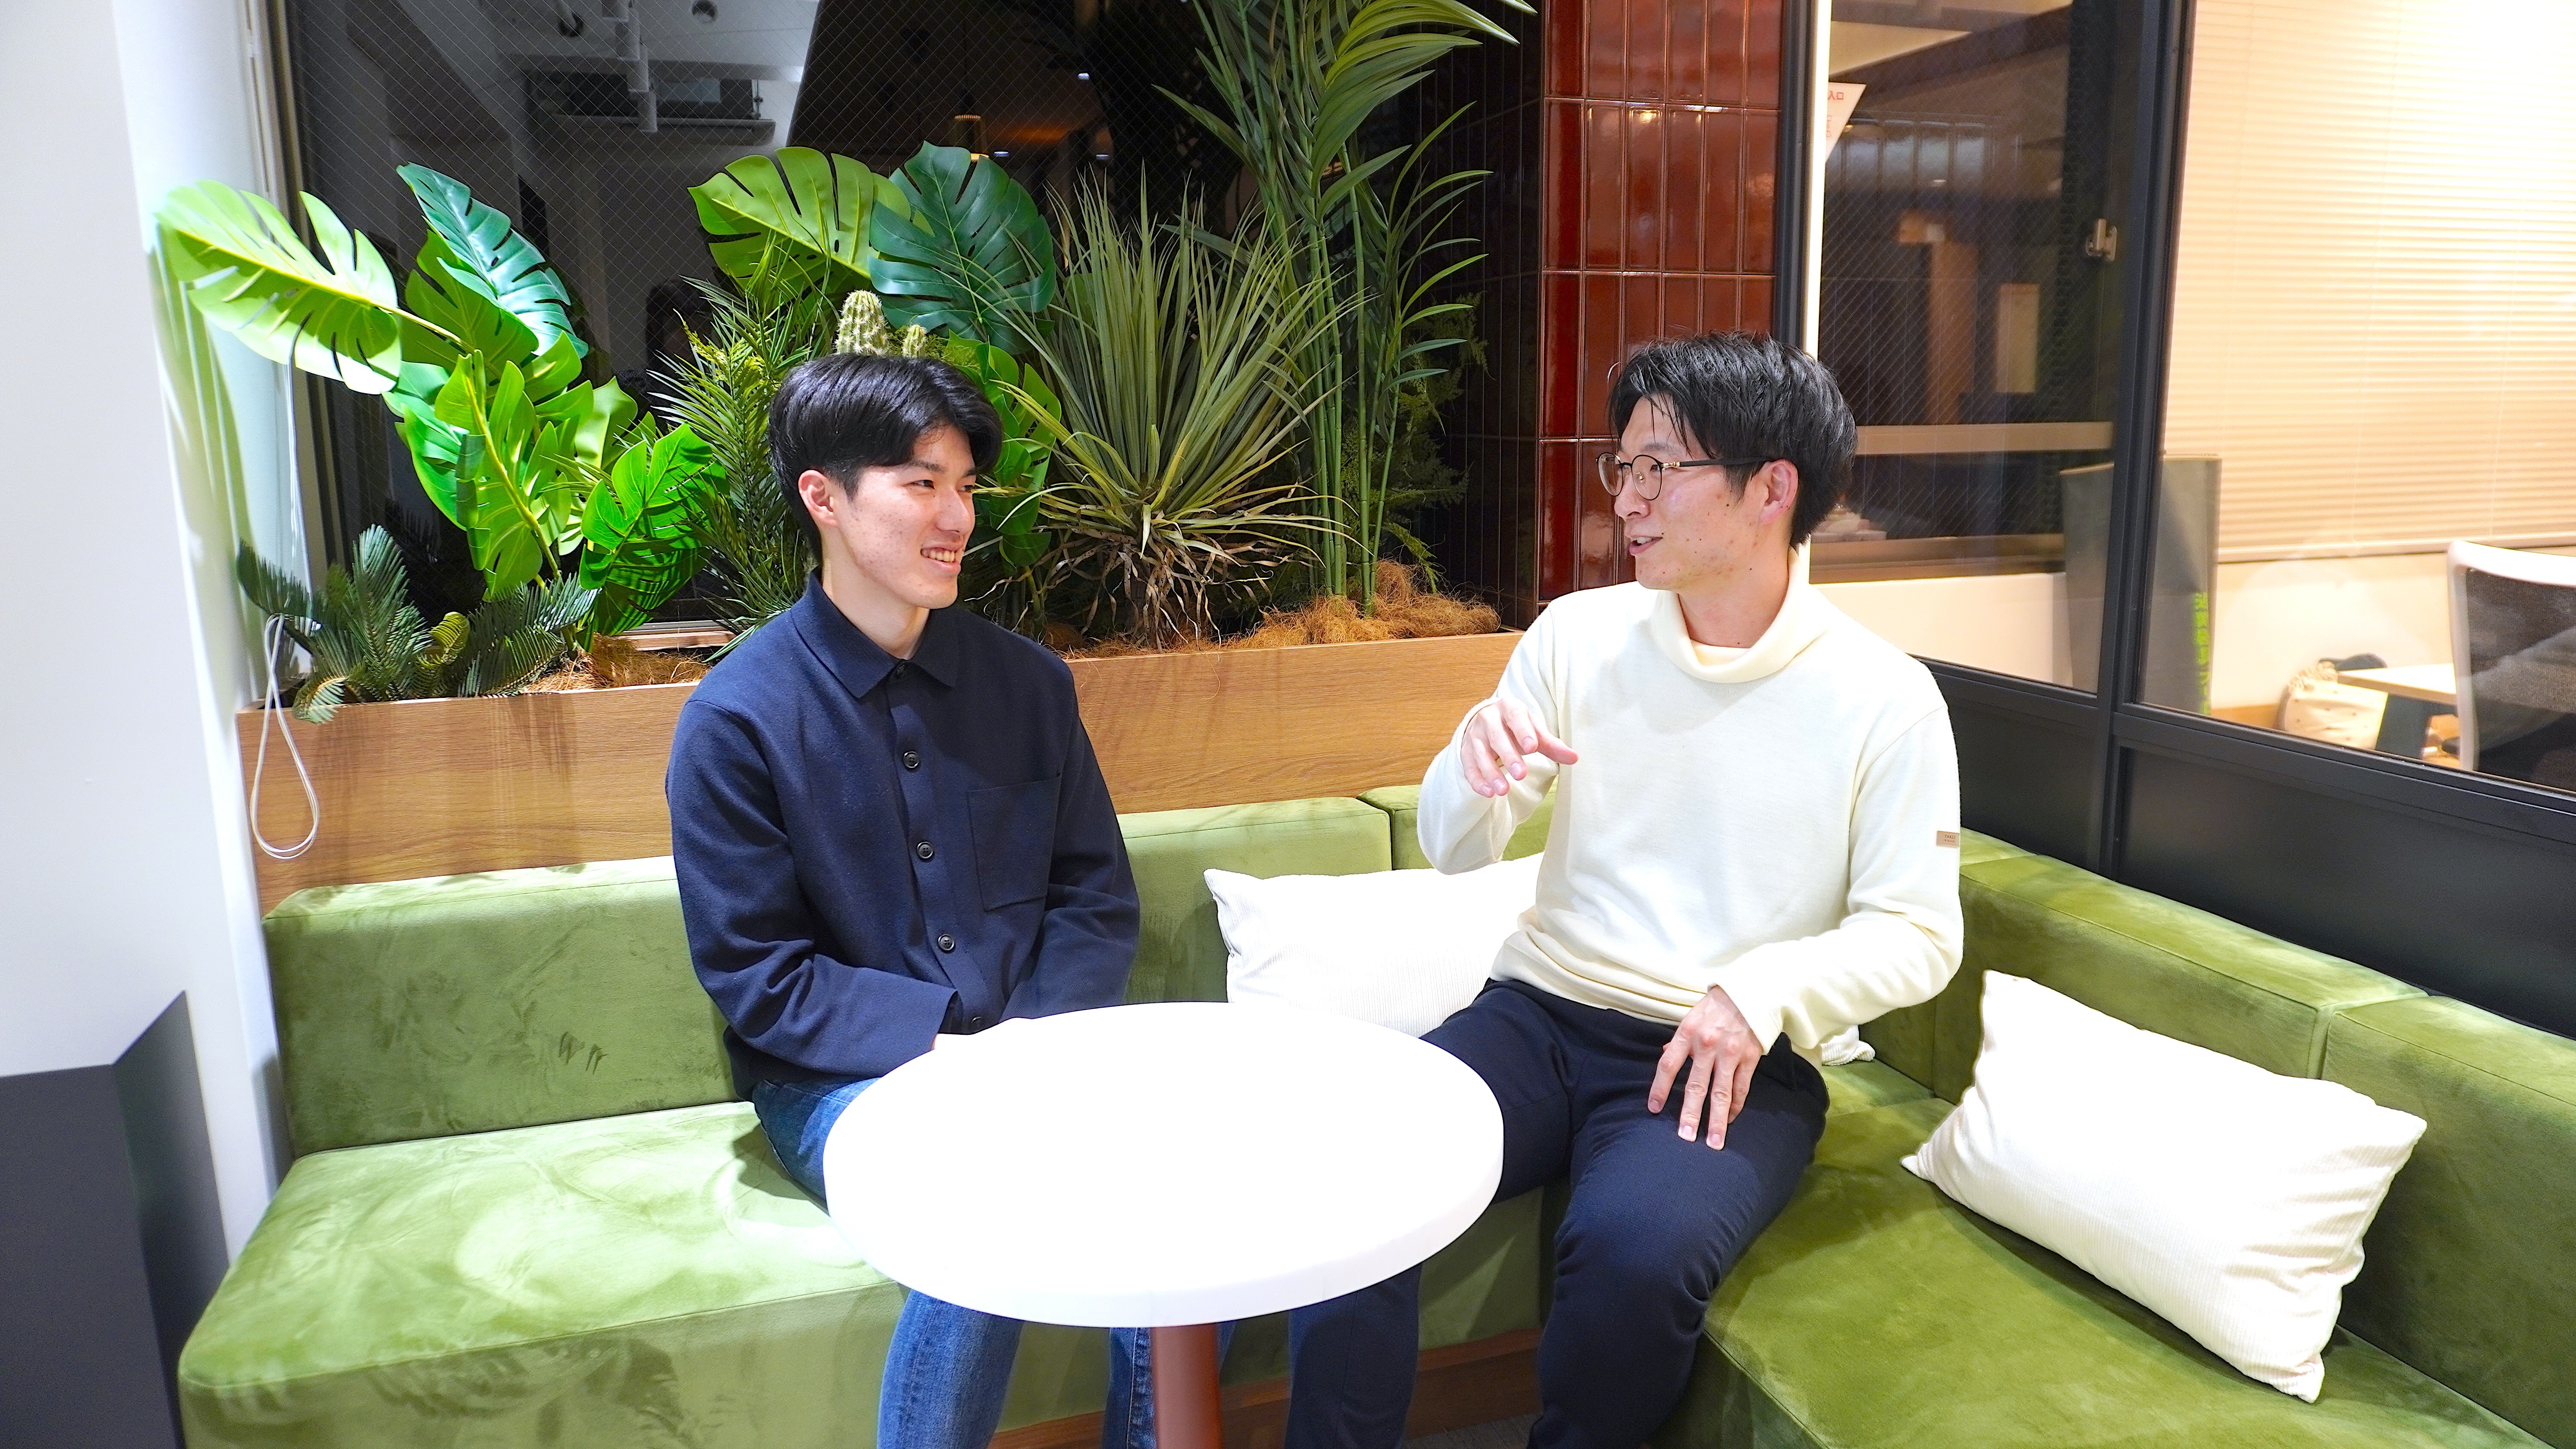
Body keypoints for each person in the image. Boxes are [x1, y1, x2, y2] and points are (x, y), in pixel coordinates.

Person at [1282, 332, 1965, 1449]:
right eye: (1624, 465)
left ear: (1771, 490)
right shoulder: (1577, 635)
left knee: (1635, 1257)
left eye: (1661, 467)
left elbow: (1920, 933)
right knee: (1357, 1170)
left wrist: (1761, 991)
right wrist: (1469, 765)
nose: (1627, 499)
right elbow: (1453, 848)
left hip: (1724, 1060)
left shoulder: (1885, 699)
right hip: (1540, 1015)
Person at [664, 351, 1169, 1449]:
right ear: (825, 497)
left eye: (967, 486)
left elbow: (1094, 895)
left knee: (1172, 1195)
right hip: (839, 1078)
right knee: (978, 1201)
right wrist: (950, 1055)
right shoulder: (737, 719)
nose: (957, 518)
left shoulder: (1029, 685)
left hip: (1037, 1045)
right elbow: (760, 975)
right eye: (921, 483)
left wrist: (1033, 1039)